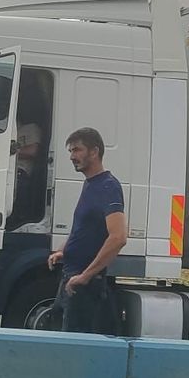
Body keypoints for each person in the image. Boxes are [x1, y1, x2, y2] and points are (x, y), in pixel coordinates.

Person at [46, 127, 128, 335]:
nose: (72, 157)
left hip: (85, 284)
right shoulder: (91, 185)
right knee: (57, 335)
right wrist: (64, 251)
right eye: (71, 152)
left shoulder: (108, 186)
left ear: (94, 151)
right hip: (71, 277)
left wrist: (85, 276)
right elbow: (83, 228)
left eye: (77, 150)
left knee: (74, 349)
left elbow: (118, 237)